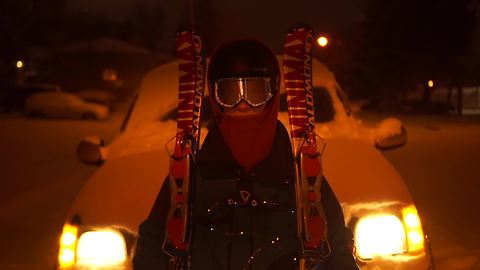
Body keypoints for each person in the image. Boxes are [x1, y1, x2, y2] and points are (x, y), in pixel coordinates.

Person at [133, 39, 359, 270]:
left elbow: (336, 246)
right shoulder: (191, 177)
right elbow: (153, 244)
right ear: (215, 96)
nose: (243, 104)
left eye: (254, 91)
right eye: (230, 93)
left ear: (271, 94)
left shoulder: (301, 176)